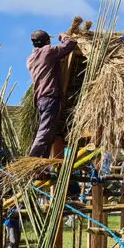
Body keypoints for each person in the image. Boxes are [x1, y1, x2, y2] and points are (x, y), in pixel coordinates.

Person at [27, 29, 77, 158]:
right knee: (45, 130)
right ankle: (34, 158)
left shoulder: (31, 59)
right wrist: (64, 36)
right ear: (47, 41)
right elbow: (70, 44)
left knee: (50, 133)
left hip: (40, 98)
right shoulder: (47, 52)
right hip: (50, 97)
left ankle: (42, 163)